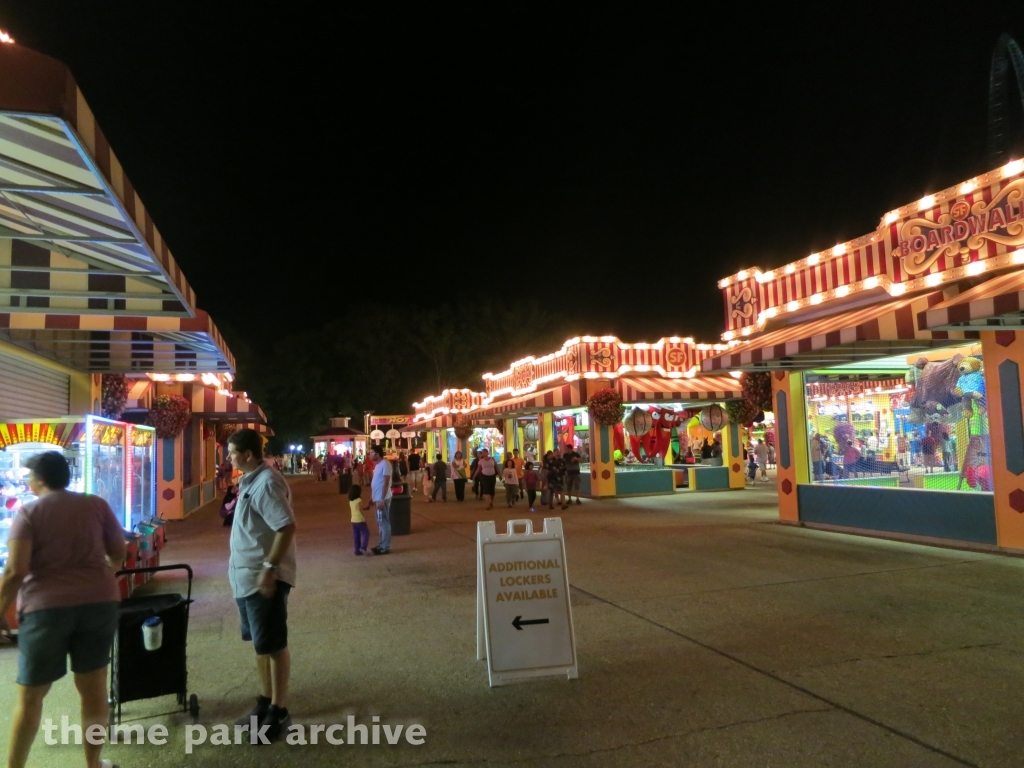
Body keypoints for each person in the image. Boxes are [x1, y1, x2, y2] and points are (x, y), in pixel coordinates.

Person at [0, 451, 126, 768]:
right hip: (99, 602)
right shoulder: (96, 504)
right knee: (94, 689)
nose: (27, 482)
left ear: (39, 480)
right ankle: (94, 764)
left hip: (46, 611)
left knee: (31, 696)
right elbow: (118, 555)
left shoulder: (29, 513)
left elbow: (16, 570)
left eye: (29, 476)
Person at [227, 428, 297, 742]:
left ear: (249, 454)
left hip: (262, 578)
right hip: (247, 577)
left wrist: (269, 568)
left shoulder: (267, 483)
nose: (229, 457)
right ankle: (266, 700)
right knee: (260, 644)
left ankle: (278, 710)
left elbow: (286, 526)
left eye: (232, 452)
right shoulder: (251, 482)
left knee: (273, 644)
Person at [367, 445, 393, 555]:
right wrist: (371, 497)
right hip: (377, 498)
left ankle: (385, 546)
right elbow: (376, 483)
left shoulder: (385, 464)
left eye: (371, 452)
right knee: (380, 522)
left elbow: (386, 482)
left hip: (382, 499)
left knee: (383, 522)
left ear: (377, 453)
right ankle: (381, 544)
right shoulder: (377, 465)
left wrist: (382, 499)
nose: (370, 454)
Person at [348, 484, 369, 555]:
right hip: (359, 519)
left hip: (353, 520)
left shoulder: (351, 501)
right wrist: (364, 517)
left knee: (356, 535)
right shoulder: (359, 500)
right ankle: (363, 547)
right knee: (365, 532)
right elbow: (360, 509)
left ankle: (357, 550)